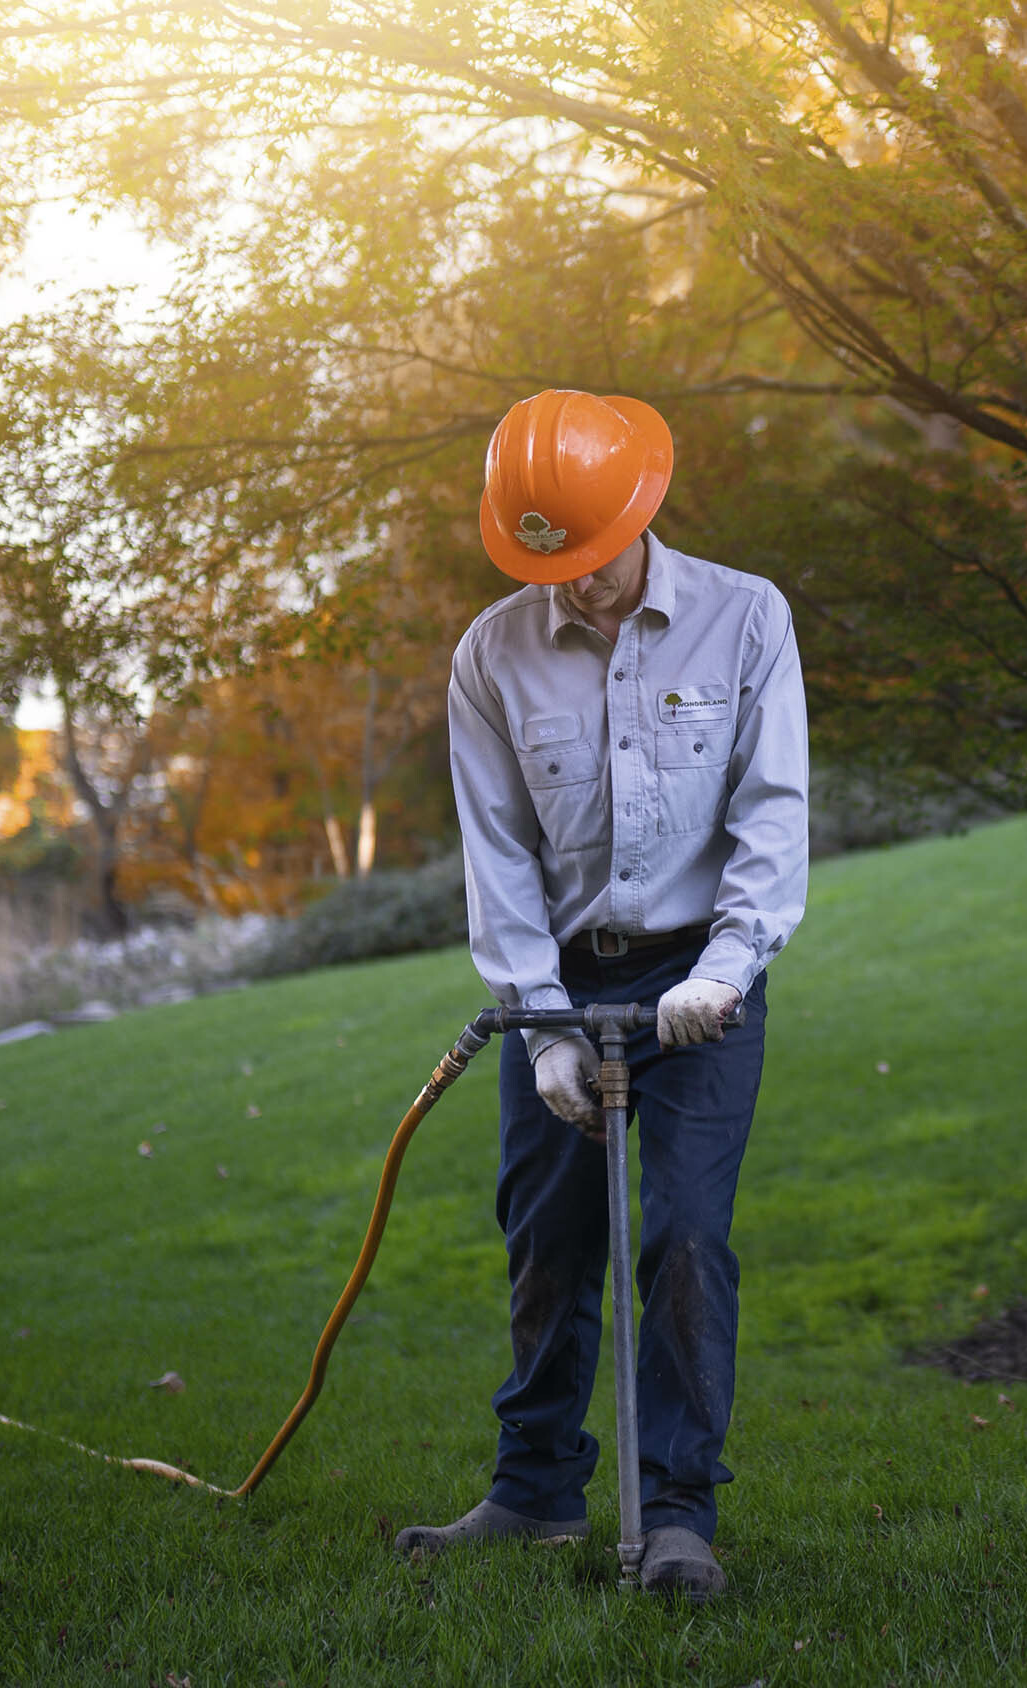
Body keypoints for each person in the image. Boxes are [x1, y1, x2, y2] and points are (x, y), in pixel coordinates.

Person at [393, 389, 808, 1603]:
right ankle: (534, 1489)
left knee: (681, 1233)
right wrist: (543, 1026)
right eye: (544, 561)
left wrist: (728, 967)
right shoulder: (491, 653)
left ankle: (678, 1514)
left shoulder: (746, 619)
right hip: (562, 980)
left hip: (704, 975)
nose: (568, 582)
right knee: (549, 1236)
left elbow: (771, 812)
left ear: (642, 512)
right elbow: (499, 853)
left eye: (584, 555)